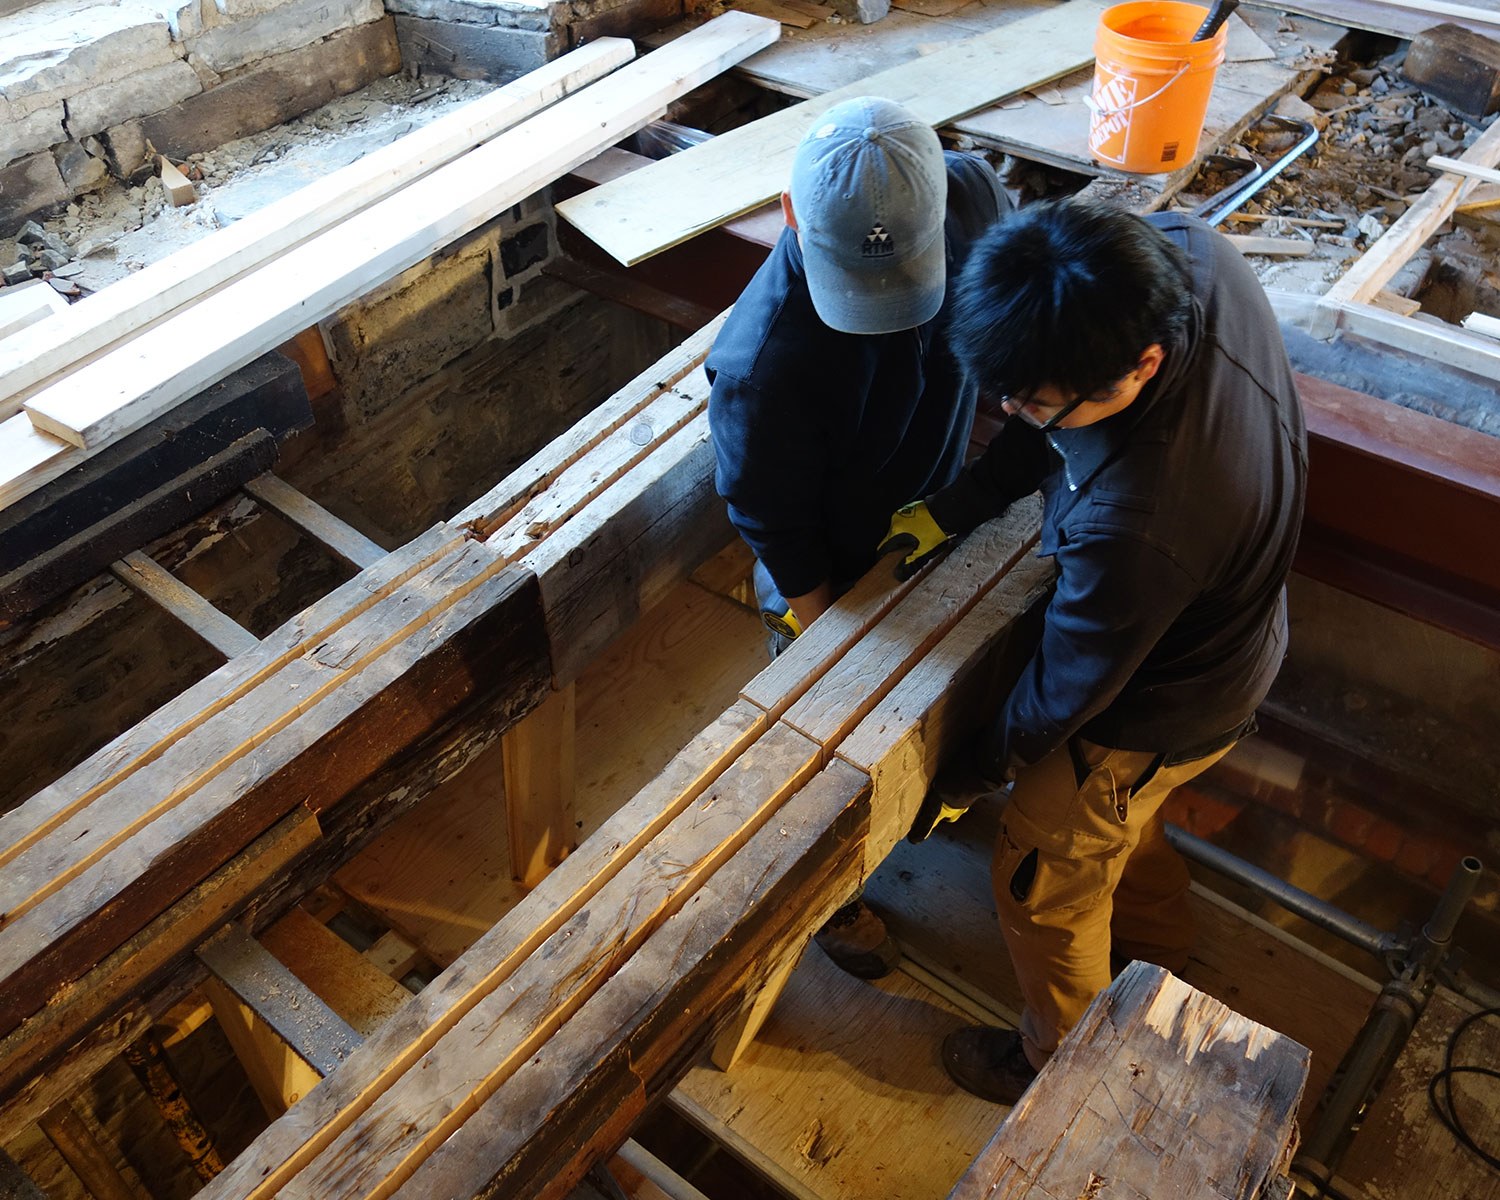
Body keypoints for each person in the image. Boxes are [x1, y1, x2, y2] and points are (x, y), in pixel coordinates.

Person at [880, 198, 1307, 1103]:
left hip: (1153, 705)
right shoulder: (1186, 256)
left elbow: (1061, 694)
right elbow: (1051, 423)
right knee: (1124, 829)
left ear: (1142, 365)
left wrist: (964, 780)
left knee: (1046, 878)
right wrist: (960, 504)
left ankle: (1062, 1066)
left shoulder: (1143, 523)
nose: (1014, 412)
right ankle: (1153, 961)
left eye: (1032, 403)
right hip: (1231, 647)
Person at [705, 96, 1008, 978]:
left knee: (940, 691)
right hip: (826, 560)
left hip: (931, 505)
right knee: (820, 748)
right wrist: (826, 627)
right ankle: (827, 897)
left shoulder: (974, 196)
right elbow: (768, 512)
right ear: (793, 215)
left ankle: (927, 789)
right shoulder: (763, 364)